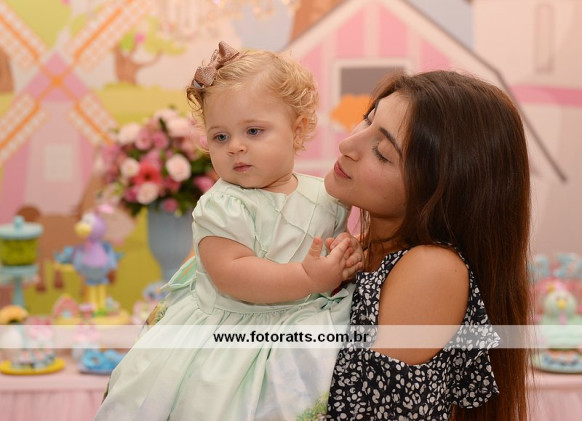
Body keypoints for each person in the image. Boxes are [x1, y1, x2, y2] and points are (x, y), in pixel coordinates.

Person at [95, 42, 361, 421]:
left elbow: (329, 247)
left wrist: (345, 255)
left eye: (253, 131)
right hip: (233, 333)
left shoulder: (327, 195)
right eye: (220, 137)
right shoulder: (224, 205)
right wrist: (307, 277)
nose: (235, 147)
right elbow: (233, 274)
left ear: (297, 130)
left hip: (305, 325)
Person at [324, 70, 531, 420]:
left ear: (442, 188)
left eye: (382, 153)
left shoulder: (432, 269)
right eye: (367, 119)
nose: (348, 145)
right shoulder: (363, 251)